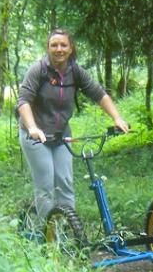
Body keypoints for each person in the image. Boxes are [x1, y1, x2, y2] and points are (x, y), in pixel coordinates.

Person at [16, 28, 129, 227]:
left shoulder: (75, 71)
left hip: (61, 136)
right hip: (36, 136)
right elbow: (24, 101)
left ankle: (68, 233)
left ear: (71, 48)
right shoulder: (38, 70)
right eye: (54, 45)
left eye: (63, 45)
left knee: (65, 184)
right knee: (46, 186)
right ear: (48, 47)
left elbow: (98, 94)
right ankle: (47, 236)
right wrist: (33, 127)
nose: (59, 49)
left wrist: (117, 118)